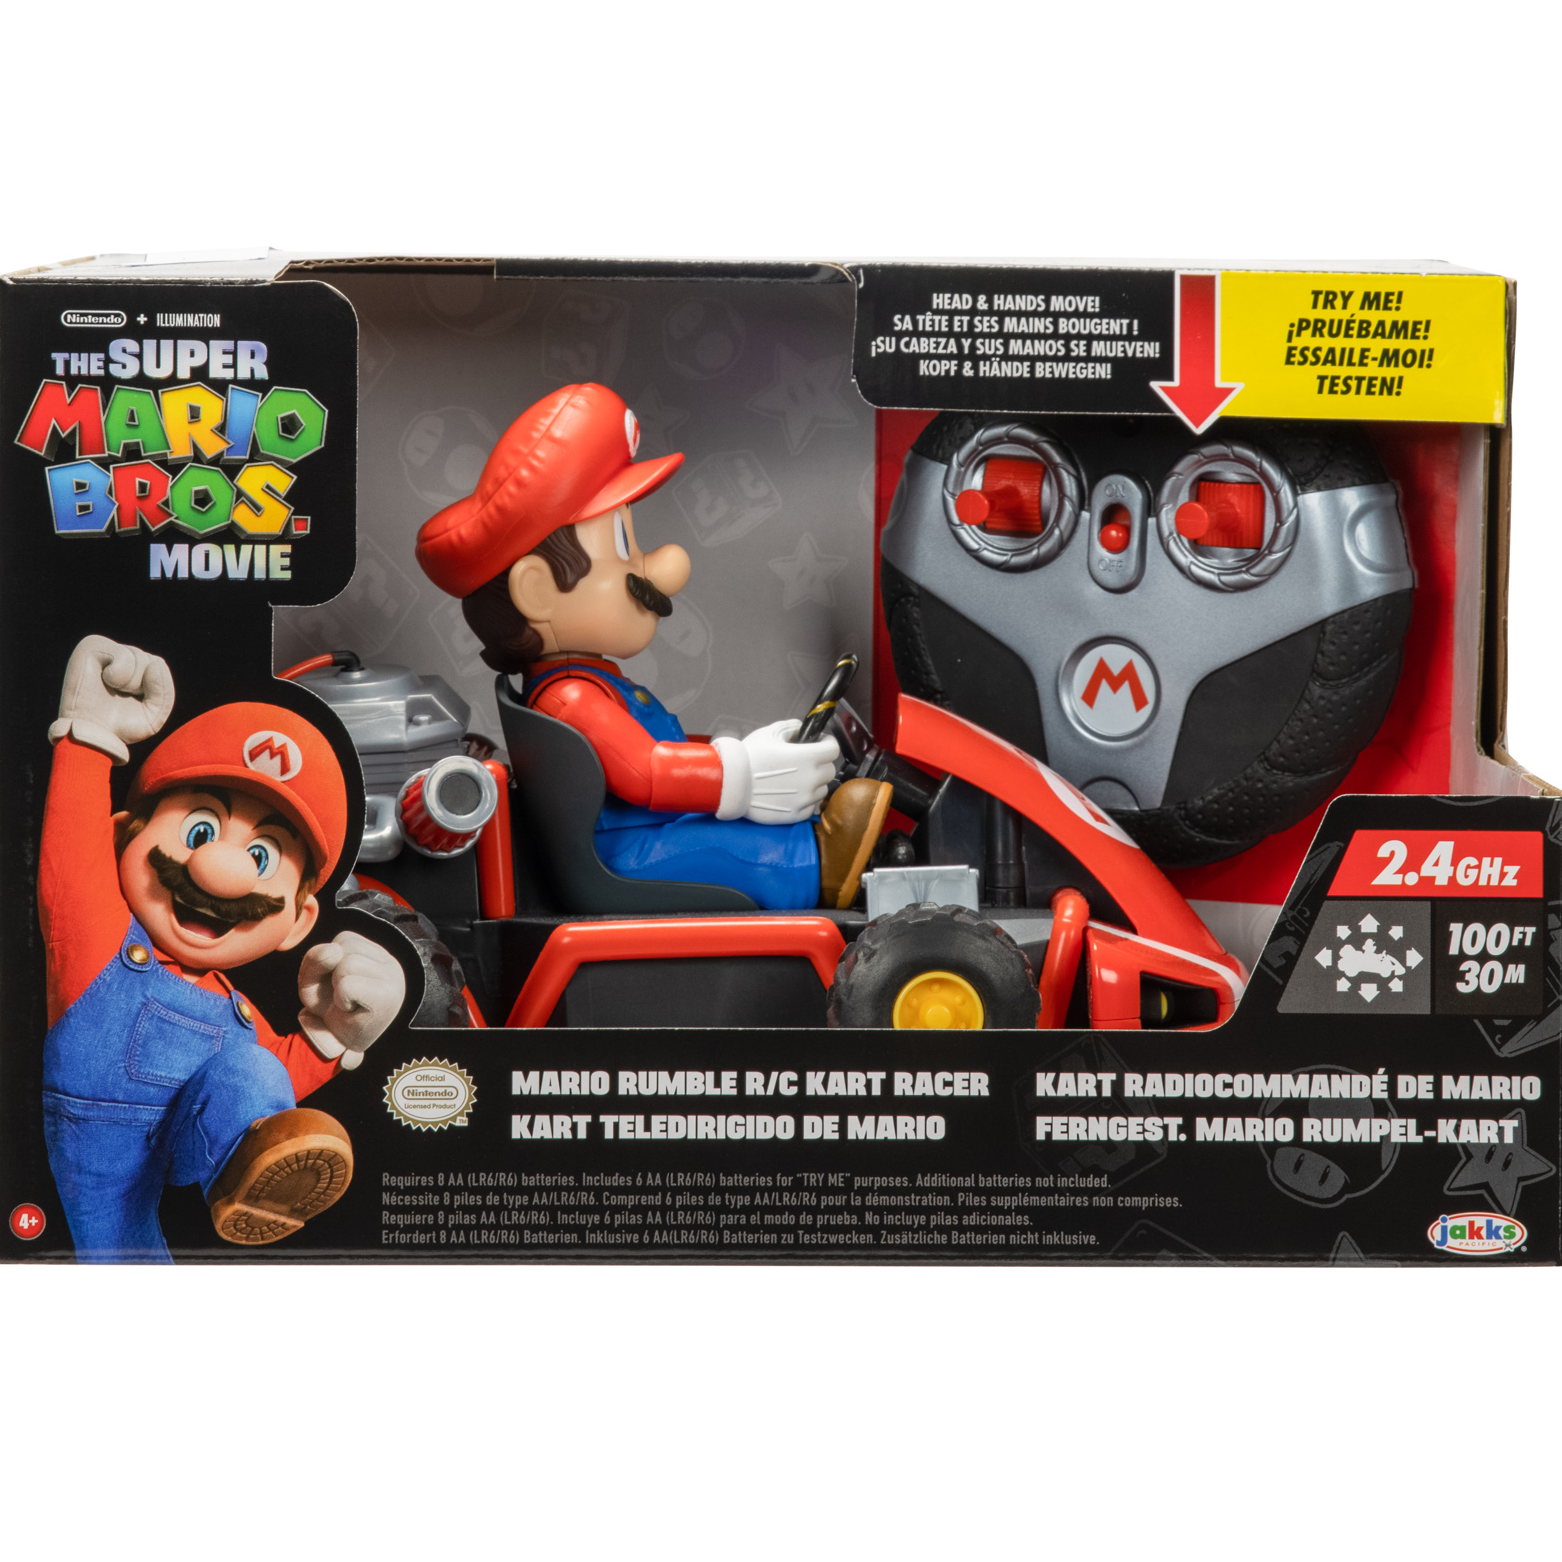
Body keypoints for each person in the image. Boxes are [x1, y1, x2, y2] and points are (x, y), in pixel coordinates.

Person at [415, 383, 890, 911]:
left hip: (646, 834)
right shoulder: (571, 697)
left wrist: (751, 751)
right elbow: (647, 771)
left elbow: (660, 754)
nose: (661, 569)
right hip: (630, 855)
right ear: (538, 591)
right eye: (624, 548)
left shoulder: (589, 683)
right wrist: (746, 773)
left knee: (754, 828)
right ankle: (819, 862)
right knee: (756, 849)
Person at [39, 635, 406, 1261]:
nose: (225, 871)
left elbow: (279, 1073)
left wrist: (339, 1029)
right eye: (201, 829)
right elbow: (68, 858)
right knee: (122, 1256)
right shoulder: (98, 942)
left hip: (197, 1138)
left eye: (262, 856)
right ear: (123, 838)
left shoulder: (234, 1009)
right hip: (97, 1143)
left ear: (298, 922)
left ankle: (250, 1183)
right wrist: (88, 738)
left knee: (255, 1070)